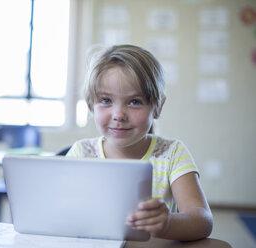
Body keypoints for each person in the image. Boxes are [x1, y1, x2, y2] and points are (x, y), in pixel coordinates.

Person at [66, 44, 213, 241]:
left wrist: (168, 223)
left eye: (134, 101)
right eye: (106, 100)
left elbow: (202, 220)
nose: (118, 115)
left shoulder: (172, 153)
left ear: (158, 107)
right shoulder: (80, 153)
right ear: (91, 105)